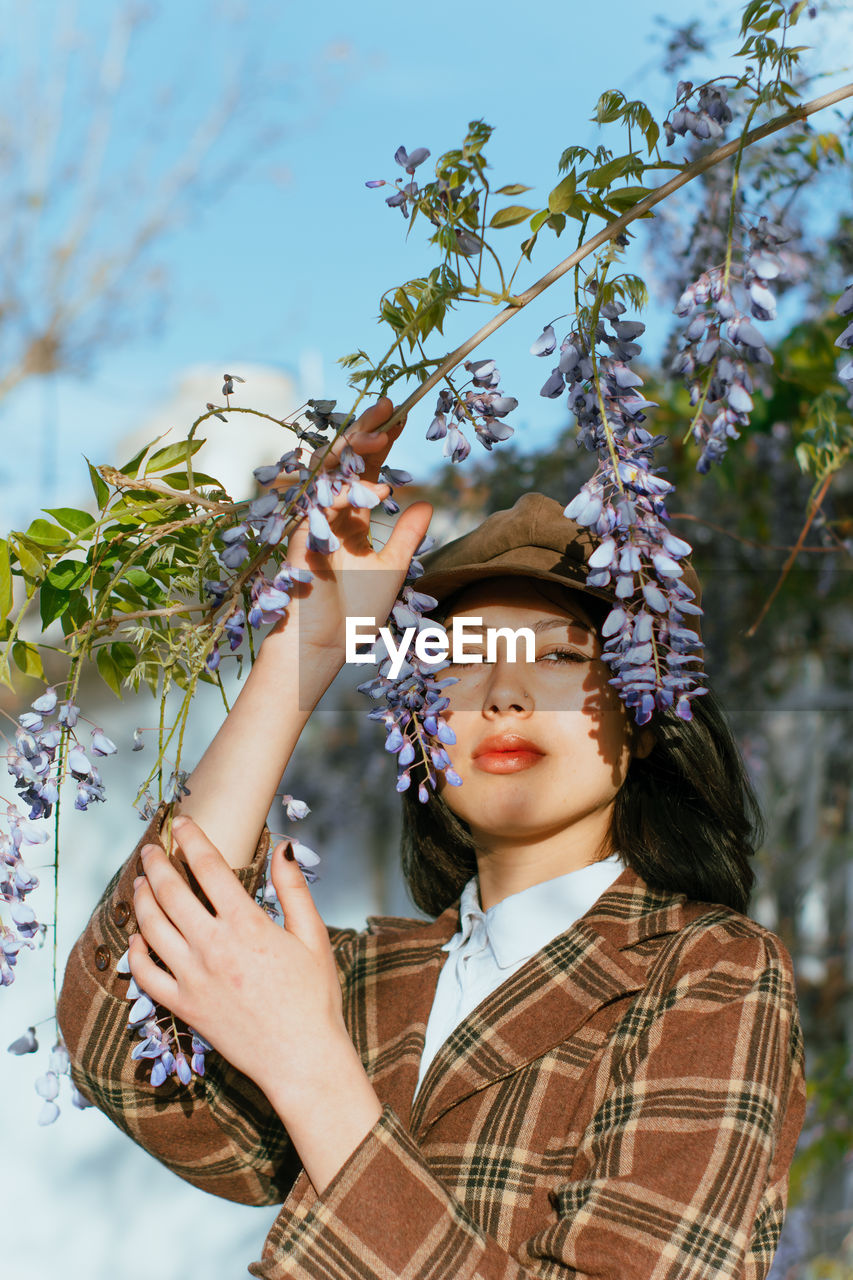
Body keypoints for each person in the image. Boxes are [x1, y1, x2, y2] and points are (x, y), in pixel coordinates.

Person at [57, 396, 807, 1280]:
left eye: (559, 659)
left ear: (643, 716)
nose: (504, 694)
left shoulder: (710, 970)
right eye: (462, 660)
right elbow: (120, 1024)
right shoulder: (367, 982)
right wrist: (304, 650)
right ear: (417, 724)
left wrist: (312, 1070)